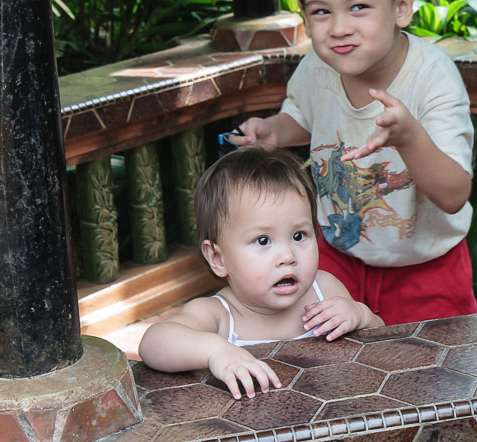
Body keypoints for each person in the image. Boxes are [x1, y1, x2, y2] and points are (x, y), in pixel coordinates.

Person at [230, 0, 477, 325]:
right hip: (336, 256)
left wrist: (409, 138)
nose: (340, 28)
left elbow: (454, 194)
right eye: (321, 12)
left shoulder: (433, 78)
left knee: (431, 359)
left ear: (401, 6)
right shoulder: (317, 67)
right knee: (325, 350)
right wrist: (273, 131)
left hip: (424, 267)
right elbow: (304, 117)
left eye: (359, 7)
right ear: (305, 15)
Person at [137, 147, 383, 399]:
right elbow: (153, 343)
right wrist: (216, 351)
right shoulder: (220, 315)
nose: (287, 256)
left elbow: (383, 344)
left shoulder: (325, 290)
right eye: (263, 240)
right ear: (218, 258)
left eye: (299, 235)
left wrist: (361, 316)